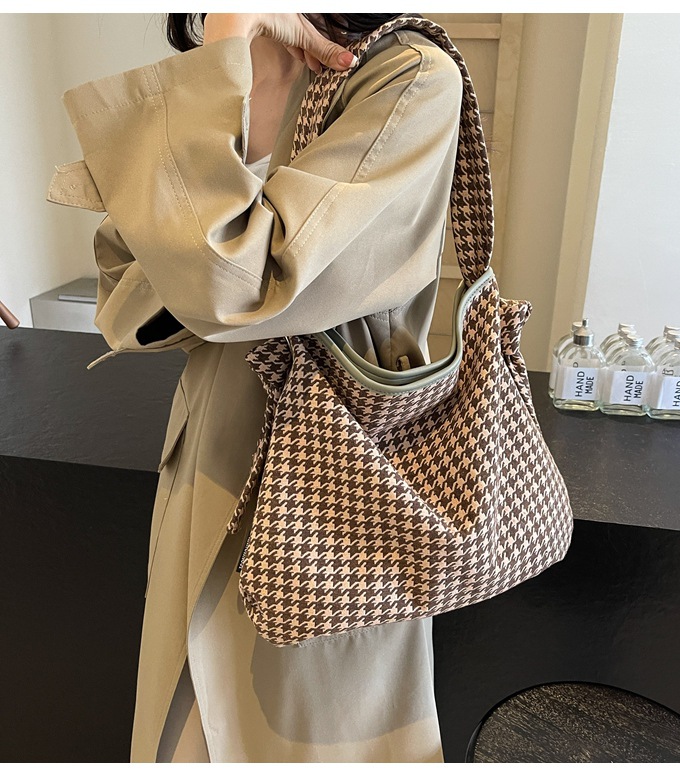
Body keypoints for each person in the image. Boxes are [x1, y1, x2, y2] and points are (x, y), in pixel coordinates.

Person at [47, 11, 463, 762]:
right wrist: (229, 58)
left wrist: (221, 59)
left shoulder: (407, 76)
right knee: (183, 732)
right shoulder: (226, 67)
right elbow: (127, 293)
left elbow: (231, 286)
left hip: (333, 489)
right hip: (208, 463)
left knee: (305, 739)